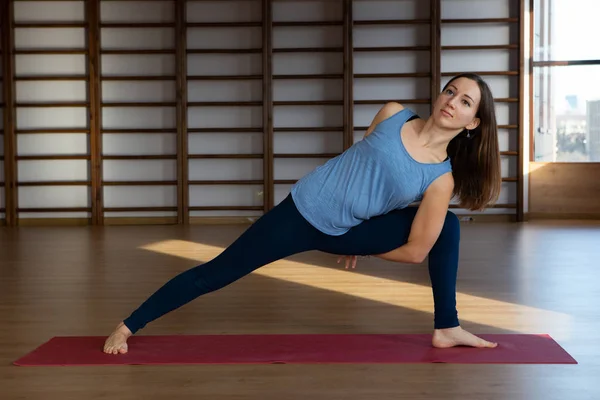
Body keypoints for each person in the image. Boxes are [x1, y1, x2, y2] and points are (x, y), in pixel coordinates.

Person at [103, 72, 501, 355]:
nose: (452, 101)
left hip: (345, 233)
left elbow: (416, 252)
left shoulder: (440, 179)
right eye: (450, 91)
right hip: (299, 213)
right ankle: (127, 326)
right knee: (217, 272)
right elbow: (361, 164)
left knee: (446, 226)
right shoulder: (393, 112)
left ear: (474, 122)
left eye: (465, 101)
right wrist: (360, 220)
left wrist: (362, 242)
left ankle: (447, 327)